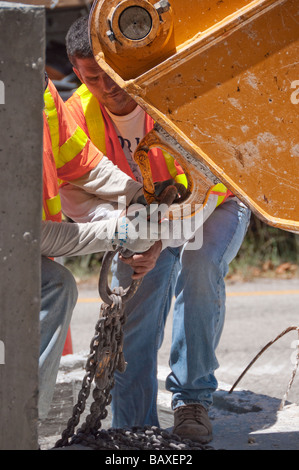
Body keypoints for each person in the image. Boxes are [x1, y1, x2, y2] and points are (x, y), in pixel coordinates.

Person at [63, 16, 251, 444]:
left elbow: (209, 181)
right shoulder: (75, 117)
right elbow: (75, 194)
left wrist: (160, 238)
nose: (108, 88)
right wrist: (125, 239)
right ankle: (135, 426)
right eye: (93, 79)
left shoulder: (173, 94)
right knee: (133, 295)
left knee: (200, 265)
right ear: (78, 72)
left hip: (216, 202)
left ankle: (191, 400)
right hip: (139, 221)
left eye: (112, 75)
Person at [39, 74, 170, 419]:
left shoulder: (42, 92)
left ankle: (24, 423)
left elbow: (82, 162)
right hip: (21, 242)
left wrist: (133, 194)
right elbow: (25, 236)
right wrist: (116, 230)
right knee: (54, 285)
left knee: (54, 284)